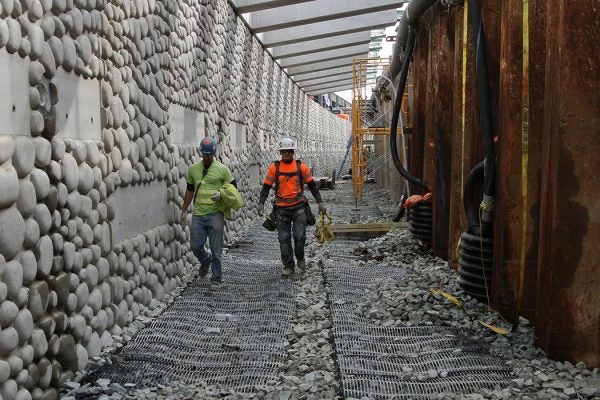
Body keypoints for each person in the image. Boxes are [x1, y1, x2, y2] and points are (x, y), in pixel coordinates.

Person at [258, 137, 326, 276]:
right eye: (284, 151)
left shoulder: (301, 167)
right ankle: (288, 266)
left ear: (293, 152)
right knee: (284, 239)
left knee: (299, 236)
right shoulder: (274, 168)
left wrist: (320, 202)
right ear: (281, 152)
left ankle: (300, 257)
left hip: (299, 207)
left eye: (289, 151)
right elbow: (266, 187)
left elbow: (312, 186)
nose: (287, 154)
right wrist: (261, 203)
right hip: (282, 208)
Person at [180, 137, 236, 291]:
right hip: (198, 214)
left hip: (215, 214)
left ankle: (216, 278)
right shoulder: (193, 169)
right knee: (196, 245)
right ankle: (205, 260)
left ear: (213, 154)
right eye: (204, 155)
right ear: (200, 152)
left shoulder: (222, 169)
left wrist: (221, 193)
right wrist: (184, 210)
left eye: (209, 155)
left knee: (216, 248)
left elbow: (233, 188)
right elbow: (190, 190)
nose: (206, 158)